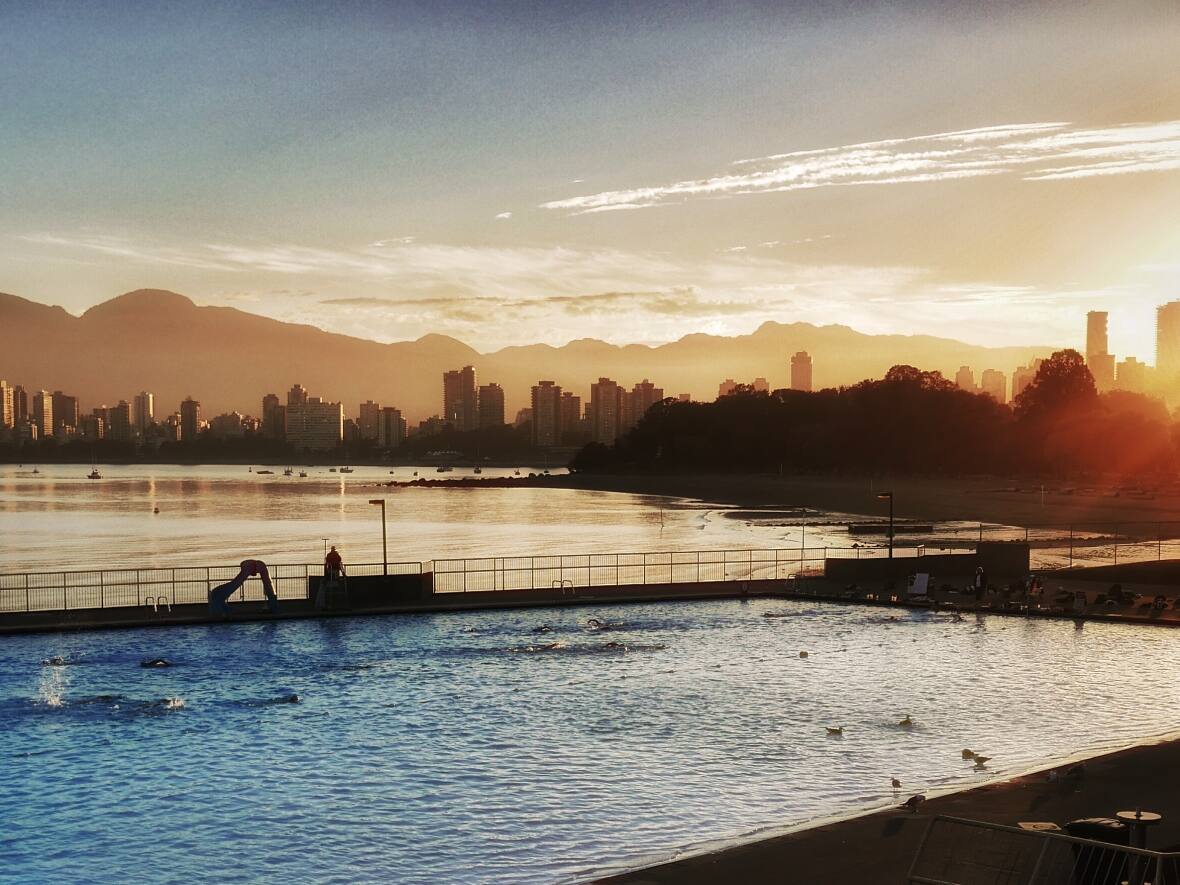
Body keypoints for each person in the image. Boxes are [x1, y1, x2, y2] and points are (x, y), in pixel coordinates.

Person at [208, 559, 278, 615]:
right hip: (218, 598)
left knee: (222, 594)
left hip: (217, 597)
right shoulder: (217, 593)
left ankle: (271, 606)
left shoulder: (217, 592)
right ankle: (272, 606)